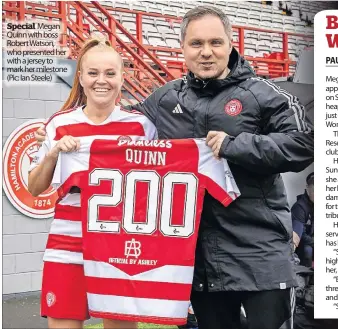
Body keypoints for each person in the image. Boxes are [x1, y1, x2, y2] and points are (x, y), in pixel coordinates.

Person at [35, 5, 314, 329]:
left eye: (215, 42)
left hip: (261, 254)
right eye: (196, 44)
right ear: (183, 48)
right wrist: (63, 127)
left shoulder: (263, 93)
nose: (206, 52)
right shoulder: (165, 100)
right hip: (200, 263)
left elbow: (306, 143)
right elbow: (115, 119)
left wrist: (234, 145)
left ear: (230, 43)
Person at [29, 38, 156, 329]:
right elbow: (34, 188)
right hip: (67, 243)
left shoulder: (142, 127)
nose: (102, 81)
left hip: (121, 243)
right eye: (94, 73)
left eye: (110, 73)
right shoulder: (58, 124)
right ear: (81, 77)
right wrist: (53, 152)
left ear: (123, 77)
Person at [292, 172, 314, 268]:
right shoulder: (300, 207)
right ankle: (308, 279)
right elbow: (299, 235)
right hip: (305, 244)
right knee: (307, 250)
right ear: (308, 189)